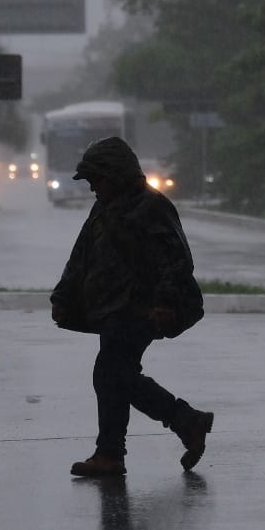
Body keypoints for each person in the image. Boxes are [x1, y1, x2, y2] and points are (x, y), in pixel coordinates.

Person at [50, 136, 214, 477]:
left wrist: (165, 303)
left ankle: (175, 425)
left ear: (116, 174)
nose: (93, 186)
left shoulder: (152, 207)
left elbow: (177, 260)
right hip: (111, 309)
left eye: (97, 177)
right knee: (115, 376)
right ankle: (127, 446)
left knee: (111, 373)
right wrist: (63, 297)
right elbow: (81, 256)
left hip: (139, 310)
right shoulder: (103, 208)